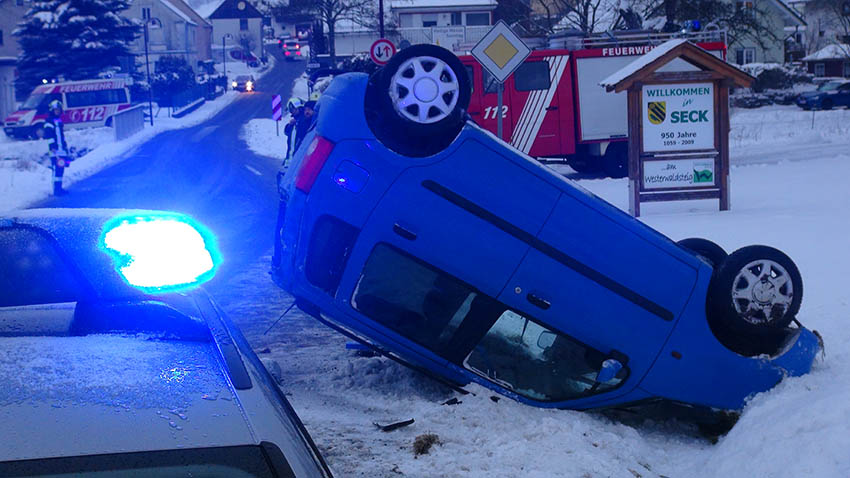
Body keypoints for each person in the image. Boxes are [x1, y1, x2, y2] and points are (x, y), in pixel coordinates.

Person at [43, 99, 70, 196]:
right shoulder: (49, 122)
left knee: (61, 169)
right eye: (56, 110)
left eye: (59, 110)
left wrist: (65, 147)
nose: (58, 111)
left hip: (61, 150)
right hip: (55, 151)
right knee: (57, 170)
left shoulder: (58, 121)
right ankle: (56, 190)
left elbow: (61, 136)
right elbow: (49, 136)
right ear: (52, 110)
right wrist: (52, 147)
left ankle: (59, 188)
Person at [283, 97, 305, 164]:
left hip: (297, 160)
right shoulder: (294, 123)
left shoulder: (303, 122)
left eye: (293, 110)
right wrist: (290, 125)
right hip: (291, 159)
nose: (292, 112)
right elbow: (286, 132)